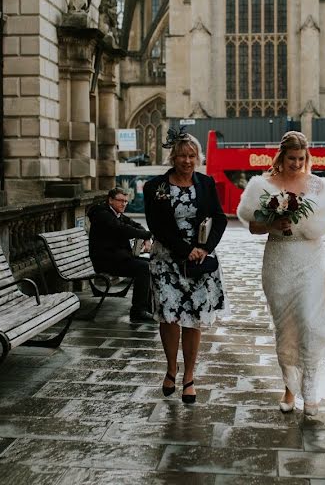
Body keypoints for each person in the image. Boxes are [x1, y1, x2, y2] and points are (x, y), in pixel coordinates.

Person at [236, 131, 325, 416]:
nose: (296, 163)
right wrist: (272, 224)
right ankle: (289, 388)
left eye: (301, 158)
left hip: (311, 261)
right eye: (291, 158)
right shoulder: (262, 185)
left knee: (309, 322)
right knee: (287, 329)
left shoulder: (320, 186)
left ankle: (311, 389)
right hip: (278, 261)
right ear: (281, 156)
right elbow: (253, 226)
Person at [143, 128, 228, 404]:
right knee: (169, 316)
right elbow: (156, 226)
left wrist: (204, 248)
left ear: (198, 157)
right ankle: (171, 368)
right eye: (181, 155)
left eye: (192, 155)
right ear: (173, 157)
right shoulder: (155, 187)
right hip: (167, 261)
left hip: (199, 263)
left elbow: (219, 218)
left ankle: (189, 377)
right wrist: (185, 250)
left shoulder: (205, 183)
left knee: (194, 319)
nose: (187, 160)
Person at [87, 188, 154, 323]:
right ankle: (138, 311)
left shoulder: (116, 214)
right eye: (120, 201)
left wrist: (146, 238)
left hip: (117, 257)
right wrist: (147, 235)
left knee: (151, 264)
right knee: (143, 268)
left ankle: (147, 308)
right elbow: (122, 229)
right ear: (110, 200)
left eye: (126, 201)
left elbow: (136, 225)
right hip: (105, 260)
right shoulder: (102, 215)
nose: (123, 204)